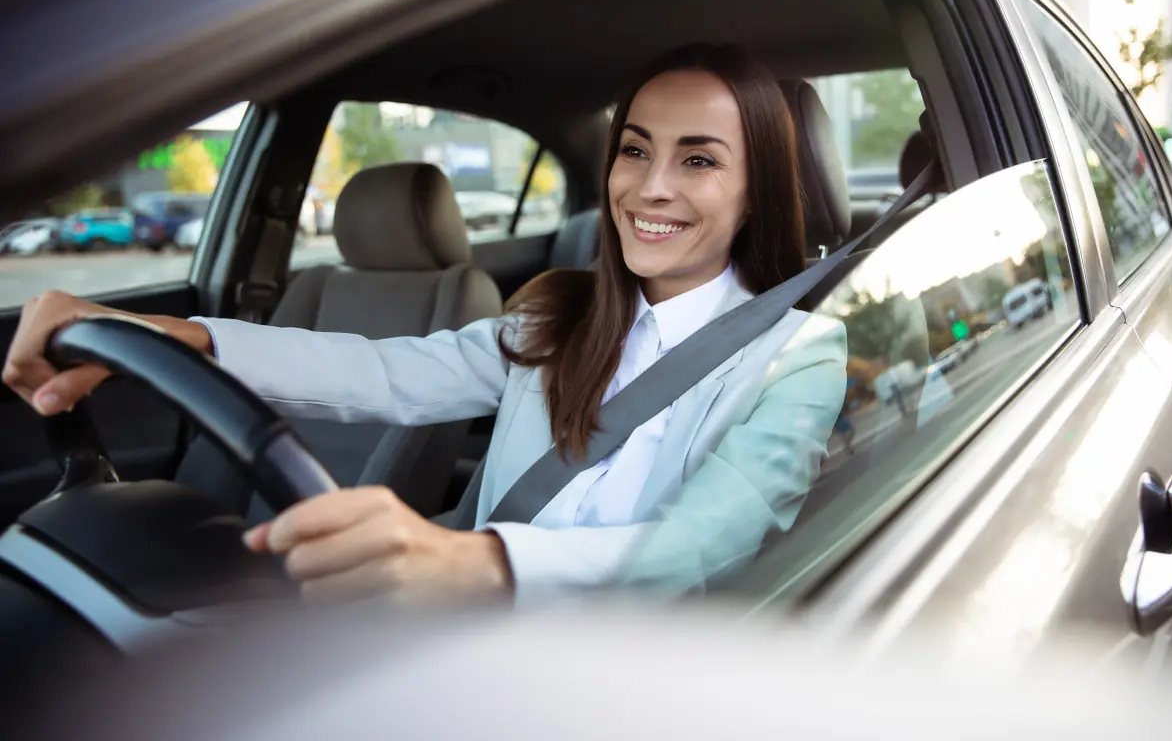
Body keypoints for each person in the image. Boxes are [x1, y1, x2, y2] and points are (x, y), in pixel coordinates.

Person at [2, 44, 847, 604]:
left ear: (757, 192)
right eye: (634, 149)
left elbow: (709, 546)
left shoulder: (799, 353)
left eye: (698, 159)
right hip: (464, 635)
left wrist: (475, 563)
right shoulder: (562, 314)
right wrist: (189, 336)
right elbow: (386, 374)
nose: (650, 187)